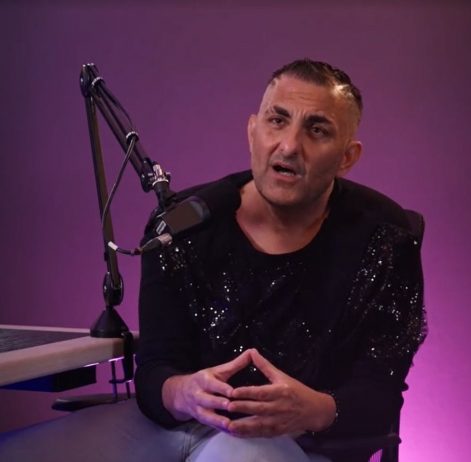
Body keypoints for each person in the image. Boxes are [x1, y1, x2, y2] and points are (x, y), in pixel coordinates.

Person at [0, 59, 426, 462]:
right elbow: (155, 370)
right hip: (174, 425)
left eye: (317, 130)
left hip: (293, 440)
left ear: (347, 157)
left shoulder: (384, 236)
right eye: (277, 121)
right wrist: (182, 392)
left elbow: (380, 392)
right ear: (253, 131)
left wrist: (313, 408)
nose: (290, 145)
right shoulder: (184, 223)